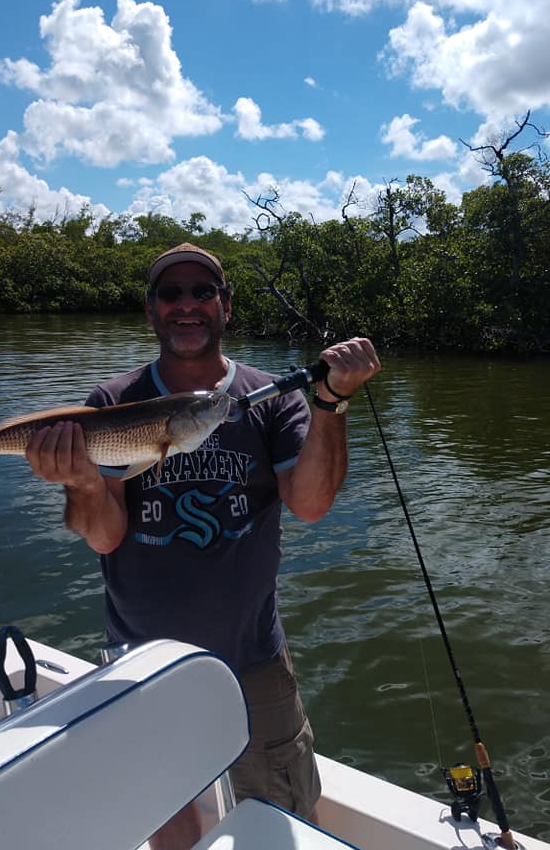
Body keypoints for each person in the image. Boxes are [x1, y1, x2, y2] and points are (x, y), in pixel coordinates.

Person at [26, 243, 380, 846]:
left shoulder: (272, 396)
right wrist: (83, 479)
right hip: (143, 659)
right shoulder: (112, 403)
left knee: (286, 814)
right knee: (166, 815)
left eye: (202, 292)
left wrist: (331, 402)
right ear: (151, 310)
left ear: (225, 307)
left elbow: (312, 504)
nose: (186, 305)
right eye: (171, 293)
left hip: (253, 656)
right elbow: (106, 535)